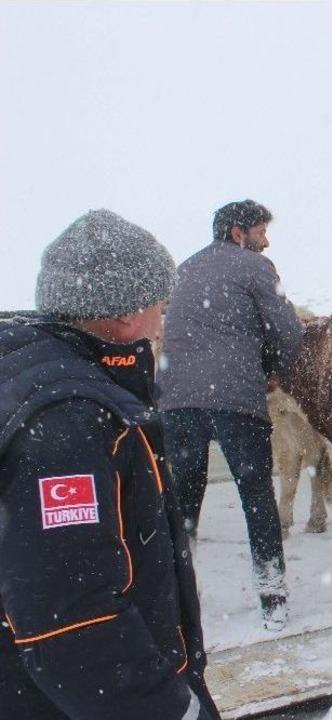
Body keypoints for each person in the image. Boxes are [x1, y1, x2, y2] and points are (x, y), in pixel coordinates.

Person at [0, 210, 220, 720]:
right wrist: (169, 711)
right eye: (160, 309)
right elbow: (72, 617)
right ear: (125, 316)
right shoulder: (68, 419)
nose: (162, 327)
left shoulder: (30, 379)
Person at [158, 199, 303, 631]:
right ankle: (273, 599)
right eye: (260, 231)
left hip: (176, 399)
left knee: (183, 503)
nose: (266, 240)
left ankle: (182, 599)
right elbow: (288, 331)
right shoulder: (256, 267)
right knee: (256, 496)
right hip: (234, 396)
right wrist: (276, 369)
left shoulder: (182, 268)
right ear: (238, 233)